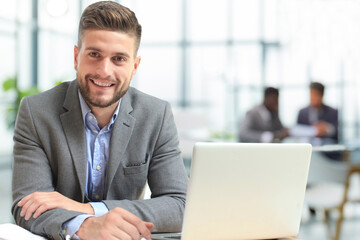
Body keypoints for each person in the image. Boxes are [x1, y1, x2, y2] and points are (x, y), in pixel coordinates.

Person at [11, 2, 188, 240]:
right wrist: (83, 226)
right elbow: (27, 206)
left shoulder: (155, 115)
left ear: (134, 67)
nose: (104, 71)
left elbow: (180, 205)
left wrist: (89, 210)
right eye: (94, 54)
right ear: (76, 57)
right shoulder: (36, 112)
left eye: (118, 59)